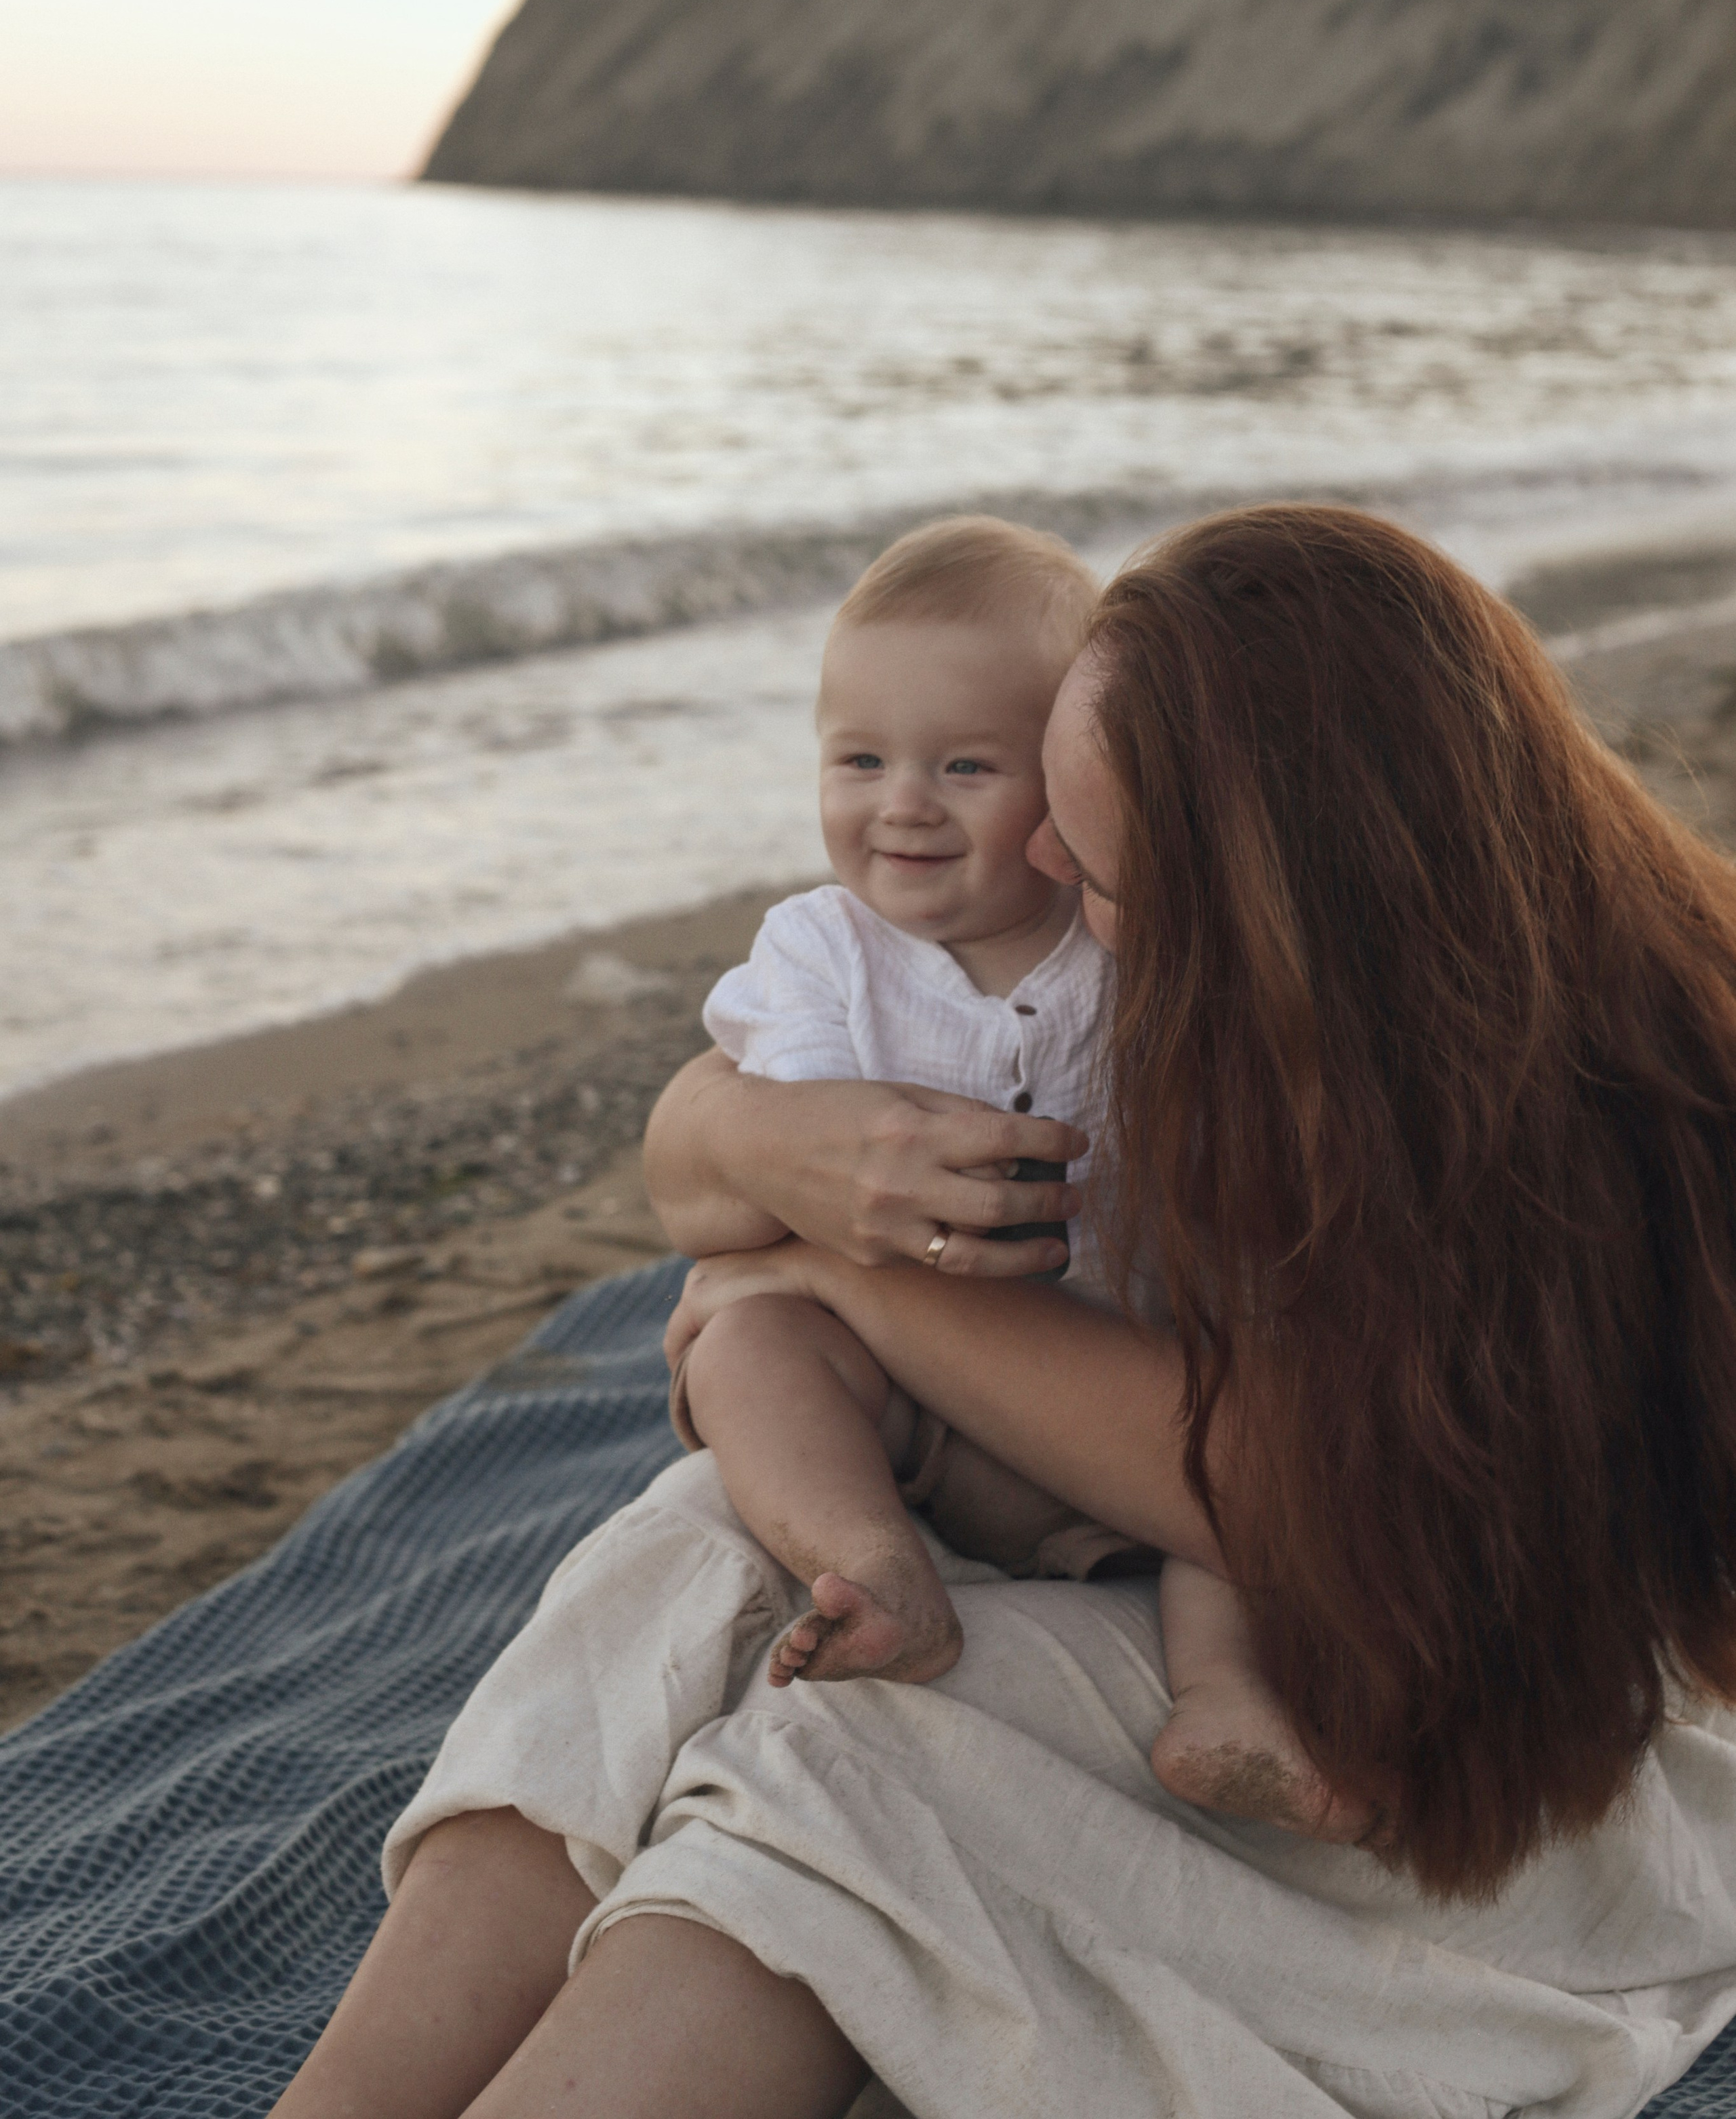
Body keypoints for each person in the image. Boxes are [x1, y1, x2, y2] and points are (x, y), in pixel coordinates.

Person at [274, 505, 1736, 2119]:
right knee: (684, 1555)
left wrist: (827, 1268)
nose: (1036, 867)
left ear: (1285, 890)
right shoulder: (1240, 994)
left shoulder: (1556, 1110)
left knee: (839, 1764)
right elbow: (702, 1149)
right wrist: (764, 1148)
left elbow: (1283, 1484)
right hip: (1163, 1544)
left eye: (1094, 868)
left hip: (1457, 1727)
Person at [676, 513, 1362, 1842]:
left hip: (1130, 1396)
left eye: (966, 765)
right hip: (914, 1393)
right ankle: (870, 1565)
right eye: (859, 759)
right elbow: (793, 1137)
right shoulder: (820, 950)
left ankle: (1223, 1702)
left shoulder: (1124, 943)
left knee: (1235, 1496)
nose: (903, 803)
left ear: (1065, 781)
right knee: (746, 1340)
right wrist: (801, 1182)